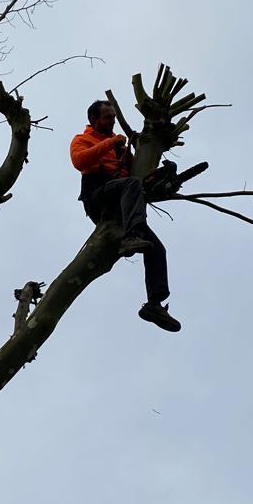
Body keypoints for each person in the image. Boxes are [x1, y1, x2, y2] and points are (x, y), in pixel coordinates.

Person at [70, 100, 181, 333]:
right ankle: (132, 235)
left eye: (113, 116)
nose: (111, 121)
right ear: (94, 120)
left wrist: (157, 170)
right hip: (97, 197)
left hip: (122, 201)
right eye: (107, 117)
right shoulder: (82, 140)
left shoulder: (118, 147)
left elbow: (133, 175)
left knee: (156, 248)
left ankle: (154, 304)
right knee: (131, 185)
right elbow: (79, 161)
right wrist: (112, 142)